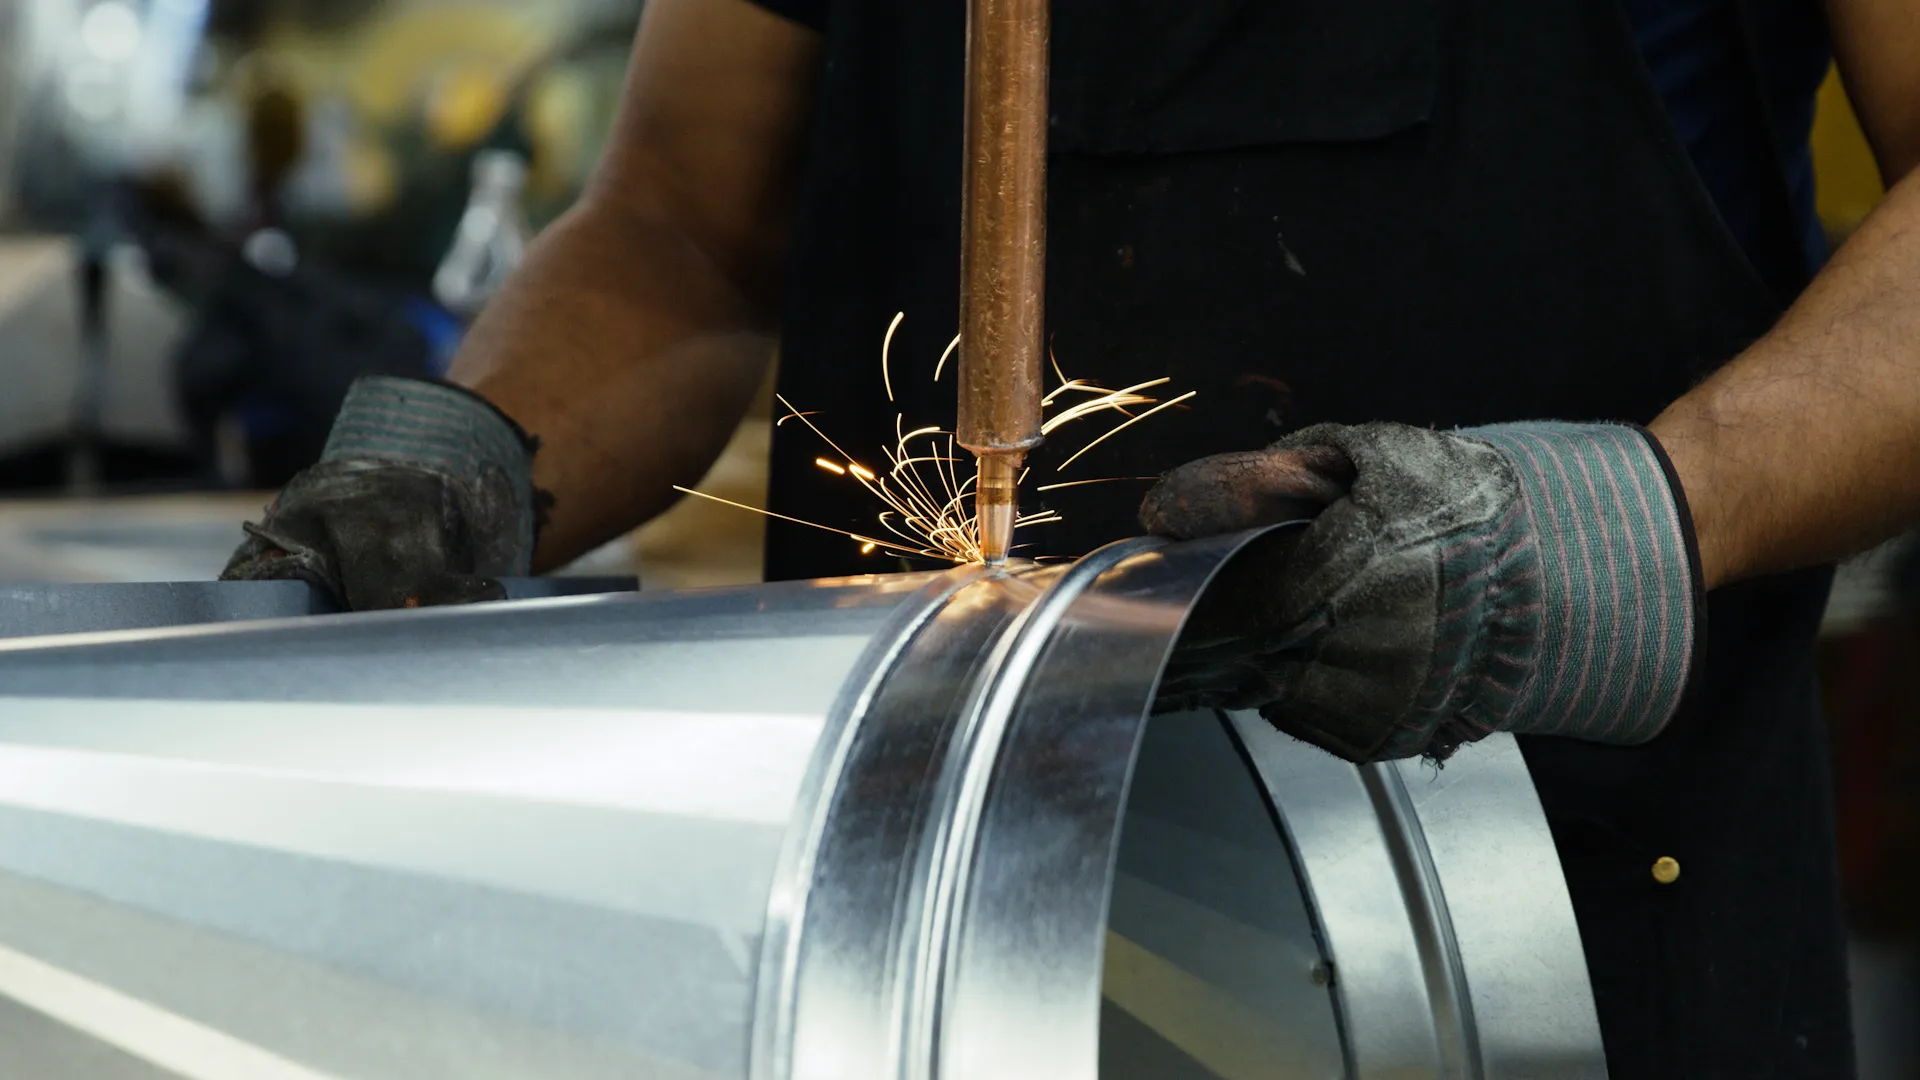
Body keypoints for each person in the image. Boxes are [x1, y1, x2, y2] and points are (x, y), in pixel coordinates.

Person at [223, 0, 1920, 1073]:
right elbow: (682, 221)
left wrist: (1645, 509)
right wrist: (472, 456)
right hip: (921, 943)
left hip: (1563, 926)